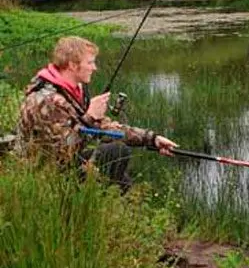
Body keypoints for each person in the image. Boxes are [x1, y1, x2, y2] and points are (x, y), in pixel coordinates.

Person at [14, 36, 178, 193]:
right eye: (90, 63)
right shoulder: (46, 101)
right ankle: (78, 211)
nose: (94, 68)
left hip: (64, 164)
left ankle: (108, 210)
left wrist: (151, 139)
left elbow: (104, 128)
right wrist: (89, 117)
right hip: (43, 174)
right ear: (72, 65)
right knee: (117, 152)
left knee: (124, 179)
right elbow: (63, 152)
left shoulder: (75, 89)